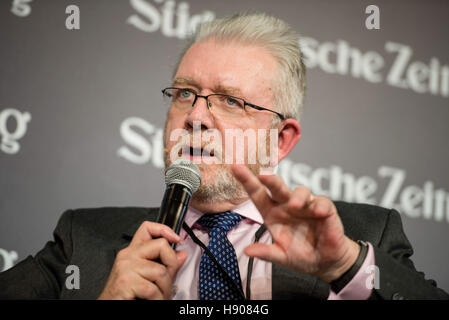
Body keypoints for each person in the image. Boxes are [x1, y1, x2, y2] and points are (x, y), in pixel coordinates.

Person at [0, 13, 447, 300]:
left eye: (230, 101)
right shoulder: (82, 240)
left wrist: (345, 267)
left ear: (280, 140)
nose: (195, 116)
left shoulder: (363, 236)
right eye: (184, 94)